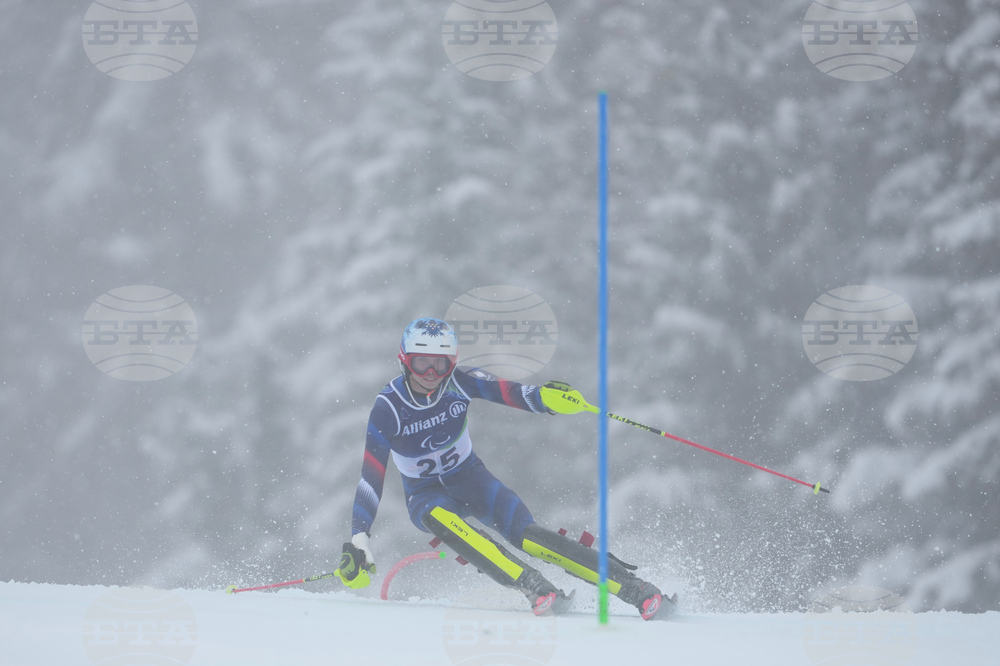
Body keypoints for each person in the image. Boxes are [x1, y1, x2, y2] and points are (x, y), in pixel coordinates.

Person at [336, 317, 675, 619]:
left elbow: (510, 392)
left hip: (471, 479)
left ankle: (637, 590)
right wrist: (359, 537)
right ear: (404, 361)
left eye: (440, 365)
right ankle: (534, 586)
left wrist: (546, 399)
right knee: (443, 520)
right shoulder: (388, 407)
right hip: (425, 495)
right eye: (421, 363)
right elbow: (371, 477)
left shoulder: (460, 382)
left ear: (451, 364)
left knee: (530, 538)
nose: (430, 375)